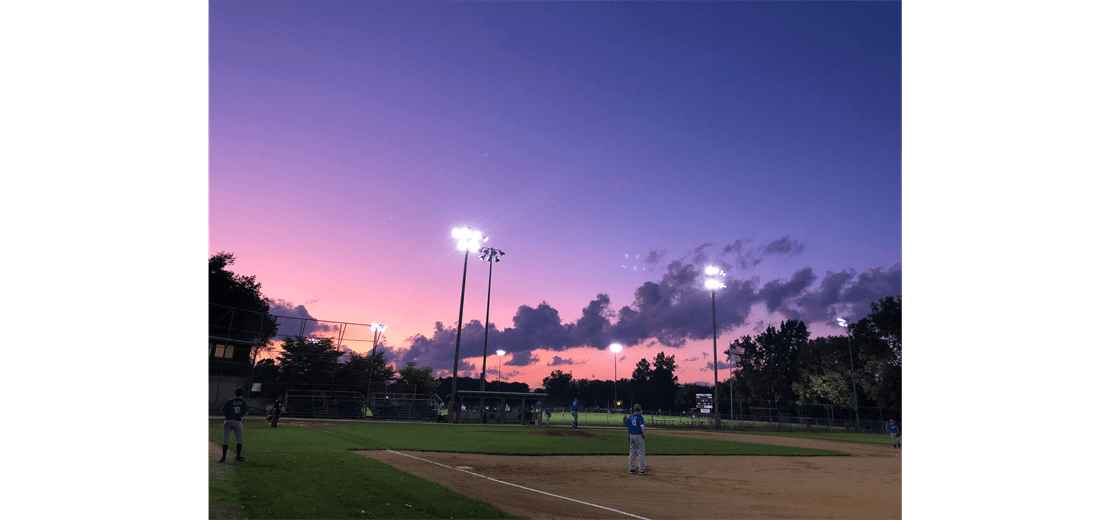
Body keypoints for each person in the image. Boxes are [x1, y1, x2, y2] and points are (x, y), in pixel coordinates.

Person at [219, 387, 249, 462]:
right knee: (239, 440)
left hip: (228, 421)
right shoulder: (244, 401)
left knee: (226, 439)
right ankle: (238, 457)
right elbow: (246, 412)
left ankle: (223, 457)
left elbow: (222, 410)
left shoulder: (229, 401)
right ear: (242, 394)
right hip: (237, 421)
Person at [624, 404, 647, 475]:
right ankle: (641, 470)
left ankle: (631, 469)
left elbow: (627, 426)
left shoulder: (630, 417)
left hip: (631, 436)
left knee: (632, 452)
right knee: (641, 452)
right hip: (638, 435)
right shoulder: (640, 417)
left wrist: (628, 436)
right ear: (639, 409)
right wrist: (643, 434)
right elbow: (642, 427)